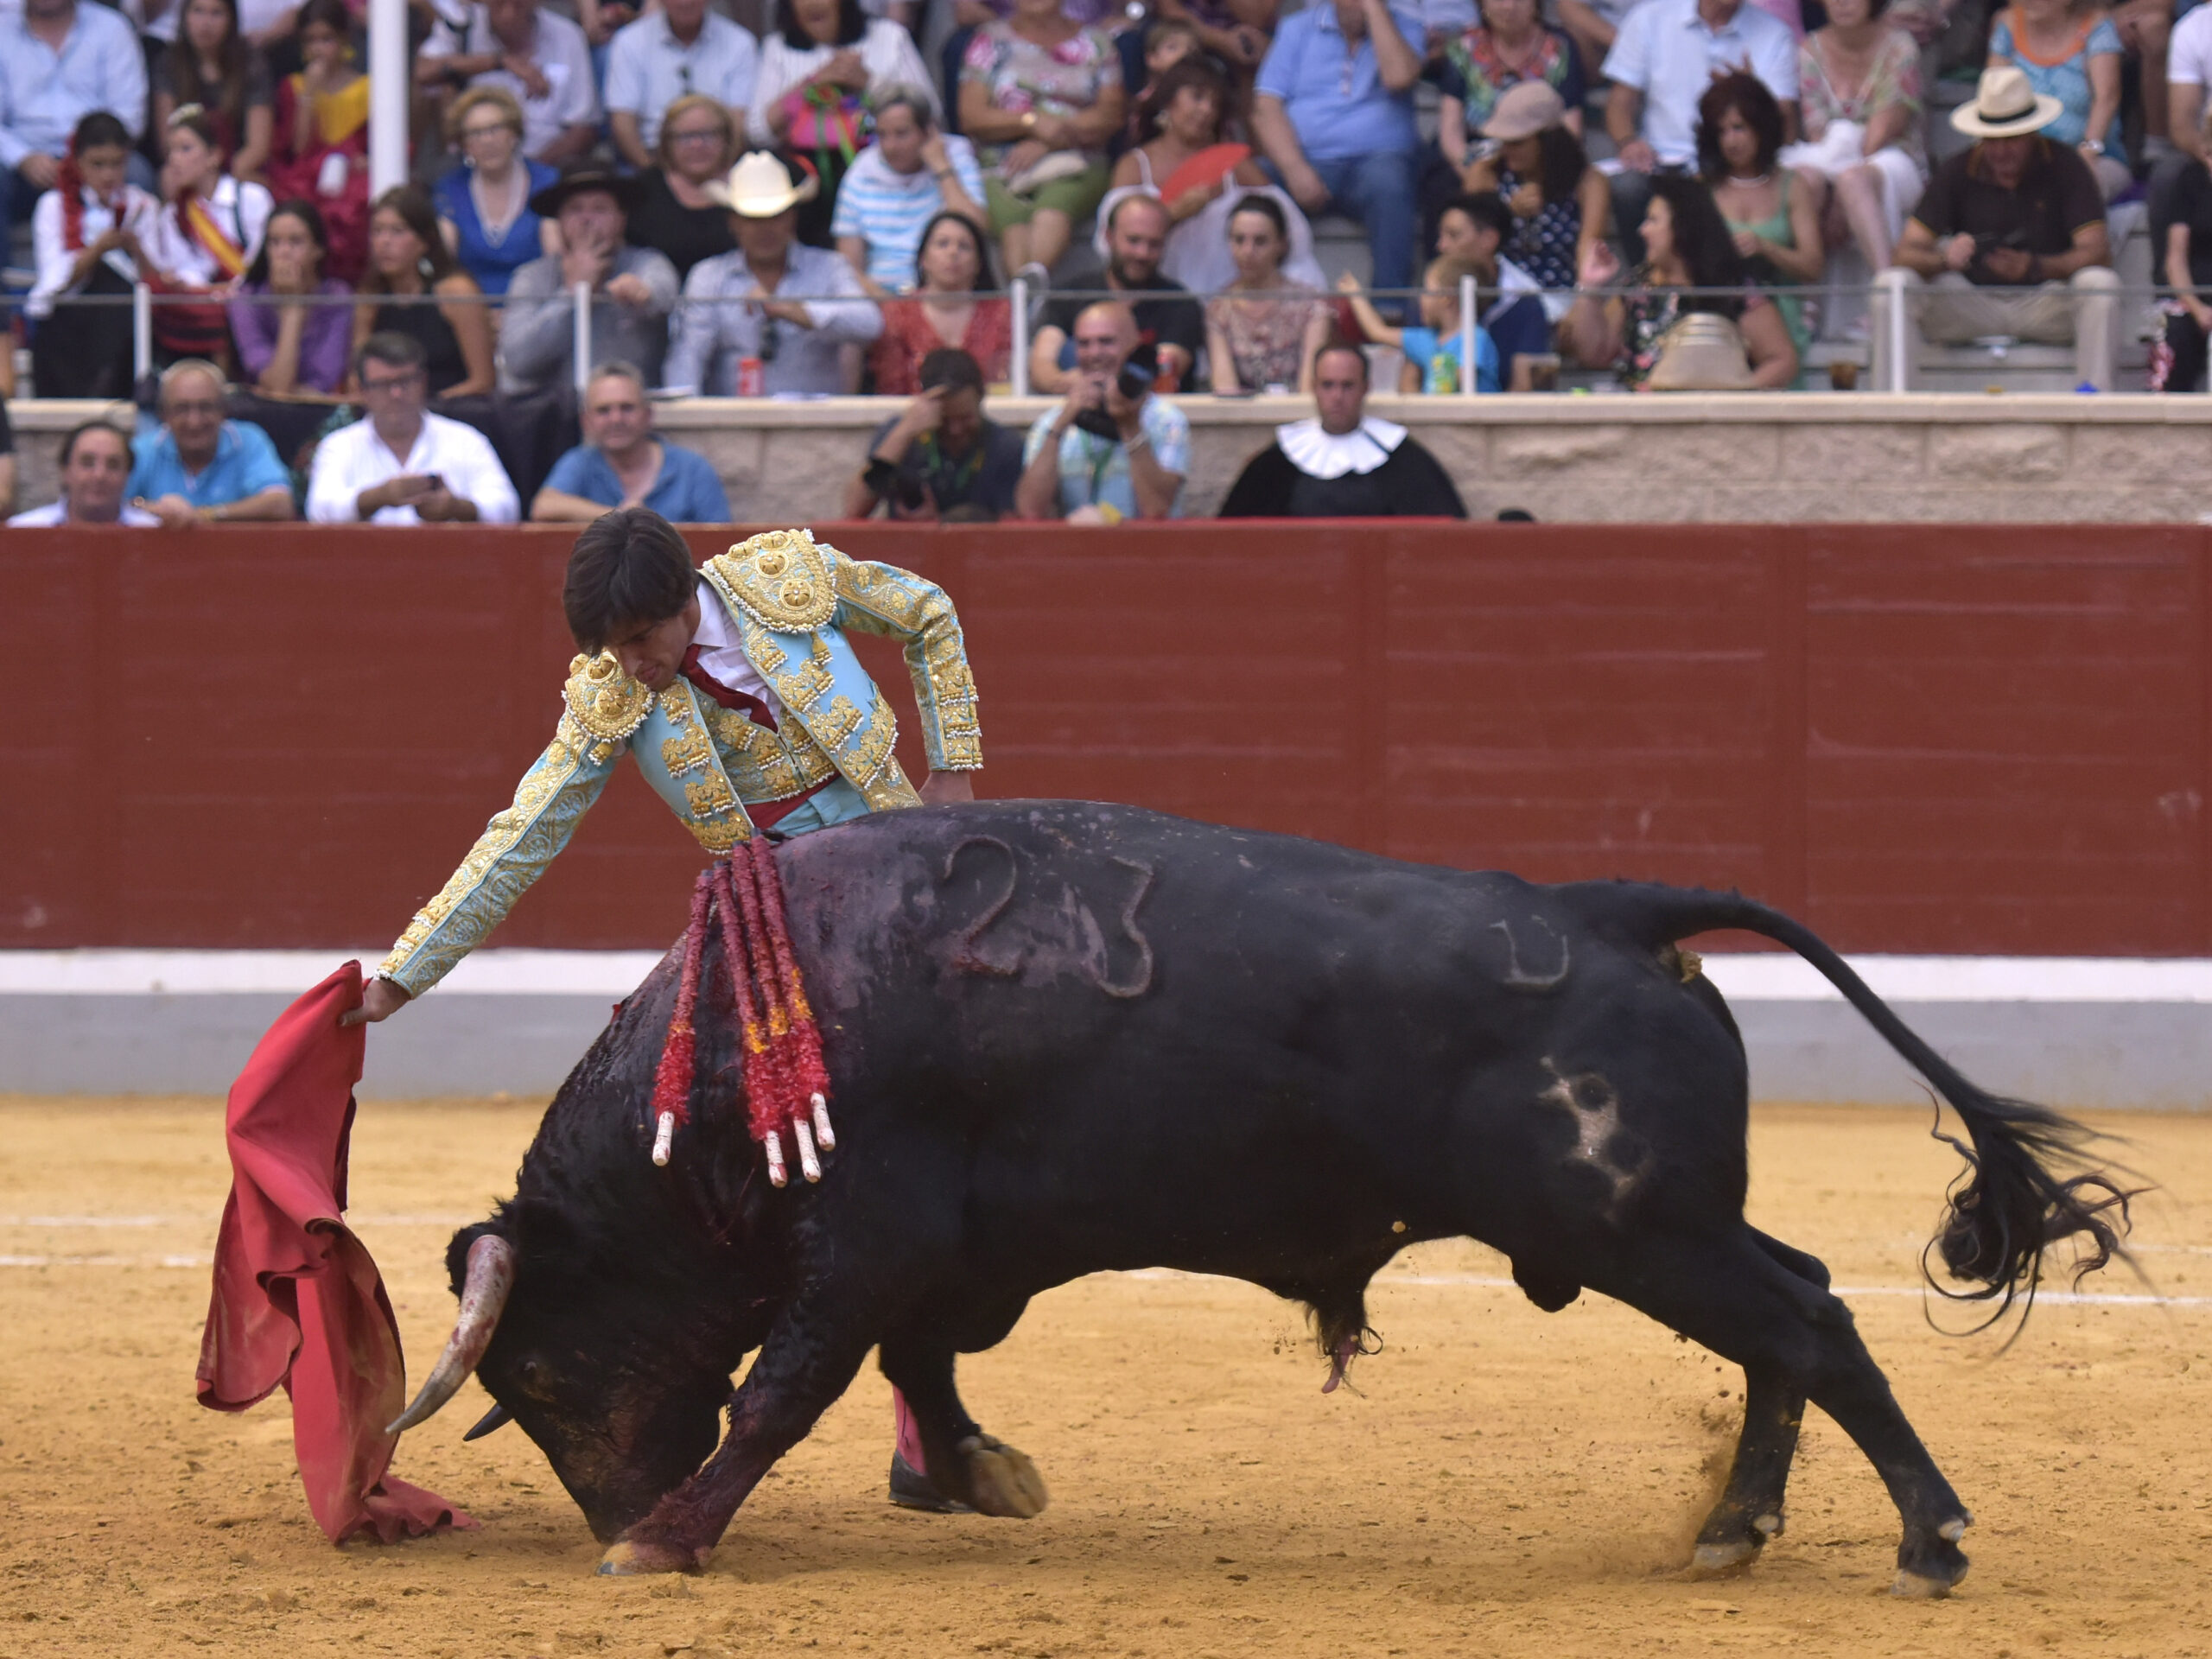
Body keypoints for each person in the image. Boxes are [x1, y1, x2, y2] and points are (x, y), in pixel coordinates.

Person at [340, 507, 982, 1006]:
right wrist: (403, 976)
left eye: (641, 640)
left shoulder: (785, 581)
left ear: (684, 602)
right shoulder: (610, 691)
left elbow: (929, 612)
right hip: (778, 904)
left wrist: (952, 771)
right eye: (613, 649)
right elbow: (525, 832)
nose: (630, 665)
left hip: (897, 842)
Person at [1878, 67, 2120, 392]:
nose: (2001, 151)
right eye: (1992, 141)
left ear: (2033, 134)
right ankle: (1891, 408)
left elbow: (2097, 251)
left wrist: (2036, 266)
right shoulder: (1957, 169)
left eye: (2012, 139)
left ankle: (2096, 404)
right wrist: (1944, 259)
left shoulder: (2066, 166)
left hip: (2046, 301)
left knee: (2100, 285)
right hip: (1971, 301)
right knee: (1892, 284)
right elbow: (1903, 252)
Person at [1252, 0, 1426, 316]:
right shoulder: (1297, 28)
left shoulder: (1404, 26)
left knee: (1391, 185)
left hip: (1377, 160)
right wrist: (1295, 169)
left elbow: (1399, 77)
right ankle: (1254, 301)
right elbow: (1267, 105)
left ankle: (1389, 309)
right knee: (1251, 180)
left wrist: (1375, 13)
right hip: (1308, 160)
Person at [661, 151, 884, 397]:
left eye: (775, 217)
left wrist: (796, 311)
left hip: (817, 425)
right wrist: (689, 420)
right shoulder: (708, 277)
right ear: (733, 222)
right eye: (752, 219)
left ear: (792, 218)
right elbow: (688, 357)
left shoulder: (830, 267)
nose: (765, 230)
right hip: (733, 424)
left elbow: (869, 324)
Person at [1105, 52, 1321, 296]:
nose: (1207, 110)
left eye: (1215, 104)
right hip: (1151, 300)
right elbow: (1107, 246)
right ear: (1168, 100)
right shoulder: (1134, 166)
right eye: (1197, 97)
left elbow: (1292, 236)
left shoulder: (1237, 167)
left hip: (1227, 301)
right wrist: (1173, 214)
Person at [1601, 0, 1799, 262]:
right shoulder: (1649, 18)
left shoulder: (1774, 34)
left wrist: (1751, 94)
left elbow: (1786, 130)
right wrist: (1628, 142)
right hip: (1663, 161)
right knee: (1628, 187)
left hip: (1732, 163)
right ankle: (1648, 288)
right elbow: (1619, 104)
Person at [1562, 172, 1799, 389]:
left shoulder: (1732, 287)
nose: (1642, 230)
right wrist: (1590, 290)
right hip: (1643, 423)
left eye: (1653, 220)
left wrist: (1736, 395)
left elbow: (1781, 360)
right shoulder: (1638, 286)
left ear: (1682, 227)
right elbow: (1594, 353)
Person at [959, 0, 1125, 279]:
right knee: (1012, 218)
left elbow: (1110, 115)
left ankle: (1026, 295)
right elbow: (972, 117)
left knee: (1054, 204)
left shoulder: (1096, 44)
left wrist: (1051, 140)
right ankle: (1029, 296)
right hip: (1003, 162)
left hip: (1077, 158)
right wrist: (1032, 122)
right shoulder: (989, 41)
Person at [753, 0, 936, 245]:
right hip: (809, 187)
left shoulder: (889, 37)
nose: (812, 4)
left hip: (885, 177)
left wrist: (868, 82)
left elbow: (930, 113)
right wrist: (813, 81)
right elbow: (757, 131)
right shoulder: (777, 47)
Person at [1218, 340, 1466, 516]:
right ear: (1314, 388)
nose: (1337, 396)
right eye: (1328, 385)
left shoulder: (1403, 459)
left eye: (1347, 386)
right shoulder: (1276, 464)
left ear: (1366, 388)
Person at [307, 331, 521, 523]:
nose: (397, 394)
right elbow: (318, 511)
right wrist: (378, 497)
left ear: (424, 382)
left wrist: (457, 507)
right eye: (383, 385)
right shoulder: (338, 445)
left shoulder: (466, 440)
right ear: (363, 391)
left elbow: (508, 509)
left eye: (406, 381)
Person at [499, 167, 680, 393]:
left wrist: (641, 296)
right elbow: (518, 361)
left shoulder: (647, 264)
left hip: (626, 412)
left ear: (621, 218)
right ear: (560, 220)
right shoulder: (531, 277)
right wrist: (571, 291)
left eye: (600, 209)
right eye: (575, 210)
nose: (587, 219)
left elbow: (663, 297)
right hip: (552, 415)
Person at [1777, 0, 1926, 274]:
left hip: (1893, 158)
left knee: (1854, 181)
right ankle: (1807, 297)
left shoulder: (1900, 47)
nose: (1843, 3)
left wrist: (1840, 195)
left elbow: (1885, 130)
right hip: (1831, 156)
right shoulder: (1810, 49)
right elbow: (1816, 132)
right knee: (1805, 180)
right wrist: (1835, 187)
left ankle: (1887, 288)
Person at [0, 0, 150, 258]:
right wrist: (22, 158)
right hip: (23, 163)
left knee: (138, 175)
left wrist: (83, 158)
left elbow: (130, 114)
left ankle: (132, 290)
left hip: (96, 151)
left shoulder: (111, 28)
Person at [1015, 300, 1189, 523]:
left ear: (1134, 346)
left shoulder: (1167, 420)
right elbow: (1030, 510)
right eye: (1084, 344)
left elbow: (1156, 508)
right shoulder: (1051, 422)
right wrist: (1062, 422)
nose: (1094, 353)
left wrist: (1129, 424)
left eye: (1106, 342)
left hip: (1144, 551)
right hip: (1075, 551)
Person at [26, 111, 161, 401]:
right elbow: (53, 285)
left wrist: (134, 248)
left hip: (124, 326)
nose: (108, 175)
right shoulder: (52, 206)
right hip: (68, 324)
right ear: (77, 162)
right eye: (98, 165)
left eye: (116, 164)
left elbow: (155, 282)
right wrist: (98, 249)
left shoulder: (143, 205)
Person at [1699, 73, 1820, 374]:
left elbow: (1813, 266)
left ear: (1761, 127)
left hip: (1782, 315)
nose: (1731, 141)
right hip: (1717, 319)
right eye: (1722, 131)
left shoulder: (1792, 186)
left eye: (1739, 128)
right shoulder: (1702, 188)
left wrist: (1766, 248)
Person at [1456, 80, 1610, 315]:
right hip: (1501, 301)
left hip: (1562, 300)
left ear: (1547, 141)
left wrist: (1581, 307)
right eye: (1503, 141)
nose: (1507, 150)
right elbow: (1472, 243)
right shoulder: (1485, 174)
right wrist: (1507, 211)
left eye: (1517, 142)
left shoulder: (1588, 183)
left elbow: (1588, 249)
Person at [1027, 194, 1202, 394]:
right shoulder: (1069, 294)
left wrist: (1093, 382)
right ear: (1108, 237)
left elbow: (1165, 371)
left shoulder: (1180, 303)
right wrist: (1064, 382)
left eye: (1154, 244)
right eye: (1133, 240)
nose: (1142, 253)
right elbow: (1041, 365)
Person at [146, 106, 276, 365]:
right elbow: (188, 268)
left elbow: (261, 260)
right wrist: (184, 282)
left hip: (250, 295)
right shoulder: (174, 213)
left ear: (214, 156)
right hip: (205, 300)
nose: (175, 160)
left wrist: (232, 289)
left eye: (185, 149)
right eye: (171, 151)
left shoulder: (251, 197)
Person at [832, 86, 988, 298]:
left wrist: (941, 166)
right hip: (879, 301)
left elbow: (977, 228)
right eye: (882, 135)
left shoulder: (954, 156)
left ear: (928, 131)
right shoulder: (860, 173)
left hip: (945, 297)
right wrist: (895, 308)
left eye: (901, 134)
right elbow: (849, 269)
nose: (890, 146)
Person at [842, 346, 1025, 520]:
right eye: (944, 420)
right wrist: (904, 433)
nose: (955, 429)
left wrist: (939, 524)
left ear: (981, 397)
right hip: (908, 547)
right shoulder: (901, 437)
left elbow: (1015, 527)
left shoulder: (1005, 446)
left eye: (965, 418)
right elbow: (854, 509)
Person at [532, 362, 730, 522]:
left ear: (648, 415)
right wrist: (618, 515)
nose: (616, 419)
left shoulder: (692, 469)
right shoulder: (579, 462)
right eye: (604, 410)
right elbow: (543, 507)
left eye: (626, 408)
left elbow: (722, 543)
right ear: (586, 421)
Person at [353, 185, 498, 400]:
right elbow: (357, 380)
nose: (384, 242)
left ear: (424, 241)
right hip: (387, 416)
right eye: (377, 231)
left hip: (453, 412)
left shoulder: (456, 292)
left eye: (397, 231)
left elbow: (483, 381)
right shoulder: (370, 297)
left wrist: (418, 410)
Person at [419, 0, 599, 169]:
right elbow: (423, 72)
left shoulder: (568, 35)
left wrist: (527, 174)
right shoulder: (462, 26)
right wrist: (499, 62)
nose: (509, 9)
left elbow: (583, 128)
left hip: (549, 170)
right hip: (475, 165)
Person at [266, 0, 371, 283]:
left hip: (352, 178)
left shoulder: (366, 88)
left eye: (327, 39)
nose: (318, 48)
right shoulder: (294, 86)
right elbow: (299, 148)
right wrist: (309, 94)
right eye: (311, 40)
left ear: (344, 40)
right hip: (306, 174)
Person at [124, 358, 296, 527]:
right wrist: (157, 510)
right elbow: (112, 506)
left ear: (224, 410)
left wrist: (206, 514)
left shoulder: (249, 440)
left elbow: (280, 504)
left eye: (205, 407)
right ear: (164, 414)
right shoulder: (144, 449)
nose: (194, 422)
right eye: (182, 409)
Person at [1987, 0, 2129, 200]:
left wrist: (2087, 153)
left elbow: (2107, 98)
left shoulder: (2097, 27)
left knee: (2076, 187)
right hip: (2018, 156)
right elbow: (1993, 96)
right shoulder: (2008, 25)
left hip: (2093, 157)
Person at [1436, 0, 1588, 181]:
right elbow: (1451, 130)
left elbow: (1571, 127)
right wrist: (1476, 177)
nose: (1508, 6)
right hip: (1476, 162)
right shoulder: (1463, 46)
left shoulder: (1561, 47)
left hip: (1541, 165)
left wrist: (1541, 182)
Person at [433, 87, 561, 300]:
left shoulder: (547, 182)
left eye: (495, 129)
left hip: (534, 305)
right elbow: (444, 266)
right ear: (464, 144)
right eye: (475, 133)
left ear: (513, 133)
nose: (487, 140)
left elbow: (555, 263)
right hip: (471, 311)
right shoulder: (450, 189)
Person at [868, 209, 1011, 392]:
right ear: (923, 259)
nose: (953, 252)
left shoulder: (1000, 311)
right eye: (943, 244)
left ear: (978, 263)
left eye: (964, 246)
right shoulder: (897, 311)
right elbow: (889, 386)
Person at [603, 0, 758, 171]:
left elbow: (738, 122)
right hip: (652, 157)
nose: (685, 3)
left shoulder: (740, 42)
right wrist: (654, 178)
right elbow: (623, 122)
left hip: (720, 160)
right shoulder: (629, 42)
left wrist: (721, 172)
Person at [1205, 194, 1332, 393]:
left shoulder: (1311, 305)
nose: (1248, 251)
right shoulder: (1219, 308)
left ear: (1281, 244)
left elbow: (1310, 387)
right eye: (1239, 240)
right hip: (1241, 419)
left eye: (1260, 241)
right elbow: (1225, 389)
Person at [230, 198, 353, 395]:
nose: (283, 252)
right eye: (275, 242)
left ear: (318, 250)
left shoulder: (337, 296)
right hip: (264, 410)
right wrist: (293, 309)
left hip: (318, 409)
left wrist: (295, 302)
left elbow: (323, 381)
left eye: (296, 242)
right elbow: (278, 385)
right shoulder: (247, 298)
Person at [1433, 192, 1554, 387]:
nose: (1441, 246)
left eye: (1453, 235)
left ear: (1489, 240)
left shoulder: (1524, 304)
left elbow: (1525, 389)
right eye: (1441, 235)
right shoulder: (1431, 299)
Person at [1338, 254, 1502, 391]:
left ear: (1446, 298)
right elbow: (1377, 331)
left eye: (1427, 290)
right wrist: (1355, 294)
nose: (1420, 298)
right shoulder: (1425, 338)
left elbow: (1461, 383)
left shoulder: (1476, 338)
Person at [153, 0, 274, 181]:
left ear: (231, 19)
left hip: (238, 166)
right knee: (168, 179)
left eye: (216, 13)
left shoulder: (251, 64)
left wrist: (220, 182)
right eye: (198, 11)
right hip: (189, 163)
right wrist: (198, 169)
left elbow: (258, 147)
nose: (206, 23)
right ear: (185, 16)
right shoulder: (169, 62)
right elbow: (167, 141)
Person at [627, 94, 741, 283]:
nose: (697, 144)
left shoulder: (751, 182)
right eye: (685, 137)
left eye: (708, 134)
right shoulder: (642, 190)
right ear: (666, 143)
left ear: (727, 139)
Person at [8, 421, 159, 525]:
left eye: (113, 464)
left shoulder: (154, 533)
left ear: (128, 474)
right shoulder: (23, 530)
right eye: (87, 463)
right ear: (65, 470)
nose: (99, 475)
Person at [2152, 152, 2212, 391]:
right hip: (2193, 299)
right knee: (2174, 328)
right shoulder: (2189, 183)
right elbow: (2175, 260)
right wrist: (2199, 311)